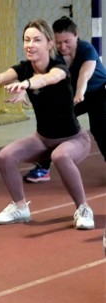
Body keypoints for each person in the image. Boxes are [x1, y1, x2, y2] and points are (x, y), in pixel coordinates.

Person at [0, 19, 95, 230]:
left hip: (74, 139)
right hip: (43, 139)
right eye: (27, 40)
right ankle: (20, 208)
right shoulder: (24, 68)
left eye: (37, 40)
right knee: (6, 156)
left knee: (60, 156)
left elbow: (46, 80)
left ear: (49, 44)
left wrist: (26, 84)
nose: (30, 44)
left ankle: (83, 208)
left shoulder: (59, 68)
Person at [23, 16, 106, 183]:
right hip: (73, 95)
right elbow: (40, 75)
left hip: (98, 93)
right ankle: (43, 168)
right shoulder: (54, 56)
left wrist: (80, 92)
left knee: (101, 129)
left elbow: (85, 73)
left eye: (67, 41)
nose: (63, 46)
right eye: (58, 42)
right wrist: (25, 89)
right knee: (54, 124)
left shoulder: (86, 49)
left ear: (76, 35)